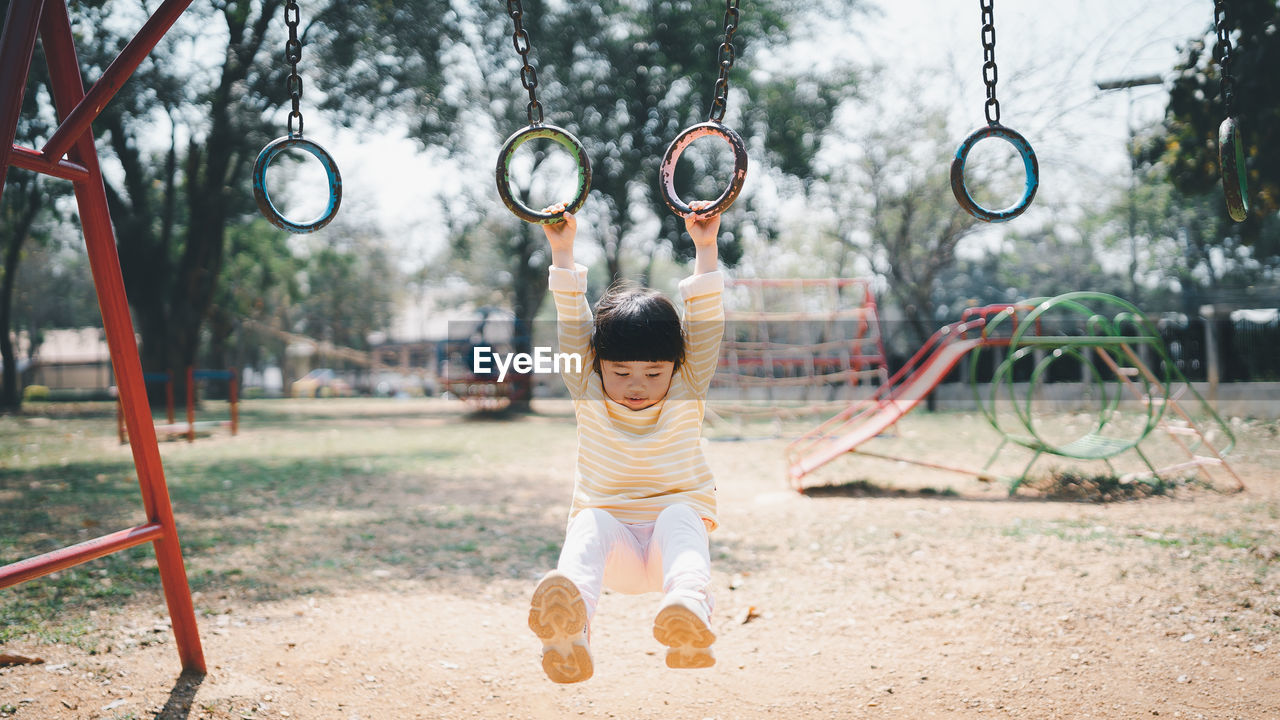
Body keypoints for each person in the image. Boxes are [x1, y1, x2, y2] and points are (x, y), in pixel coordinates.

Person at [528, 200, 724, 684]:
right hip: (612, 547)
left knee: (681, 514)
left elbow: (704, 322)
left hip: (669, 550)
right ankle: (570, 637)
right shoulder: (588, 390)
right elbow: (573, 327)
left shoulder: (687, 385)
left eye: (653, 372)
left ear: (674, 368)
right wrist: (563, 252)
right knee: (589, 522)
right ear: (598, 366)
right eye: (621, 372)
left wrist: (706, 247)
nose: (637, 385)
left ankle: (687, 613)